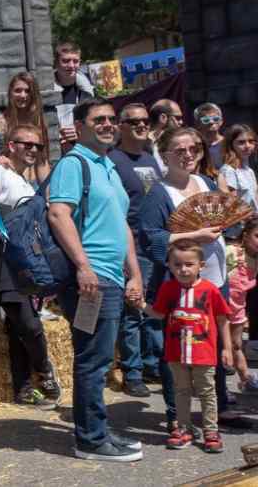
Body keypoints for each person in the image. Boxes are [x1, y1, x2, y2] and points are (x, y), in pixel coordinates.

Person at [47, 98, 145, 462]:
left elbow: (121, 224)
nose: (107, 124)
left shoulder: (106, 165)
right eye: (98, 119)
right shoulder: (74, 164)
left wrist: (134, 272)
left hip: (111, 278)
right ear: (81, 125)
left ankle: (98, 429)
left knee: (101, 358)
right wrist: (83, 266)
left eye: (111, 119)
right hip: (92, 280)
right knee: (93, 360)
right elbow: (58, 214)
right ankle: (89, 440)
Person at [138, 127, 232, 432]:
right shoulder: (159, 194)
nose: (189, 154)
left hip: (215, 280)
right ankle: (175, 416)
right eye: (180, 150)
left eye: (194, 148)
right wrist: (195, 235)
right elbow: (151, 238)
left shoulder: (204, 182)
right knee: (177, 351)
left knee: (213, 345)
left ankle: (215, 413)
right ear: (165, 156)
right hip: (179, 286)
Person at [0, 124, 61, 409]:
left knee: (16, 326)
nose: (33, 150)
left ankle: (22, 388)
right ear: (10, 145)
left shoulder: (25, 181)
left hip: (27, 261)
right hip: (6, 260)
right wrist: (16, 219)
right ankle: (45, 370)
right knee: (28, 323)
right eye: (26, 144)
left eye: (37, 146)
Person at [143, 242, 231, 452]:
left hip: (204, 352)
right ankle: (184, 428)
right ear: (170, 266)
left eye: (189, 264)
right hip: (176, 352)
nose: (183, 269)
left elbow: (222, 319)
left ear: (201, 265)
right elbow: (159, 314)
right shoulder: (168, 288)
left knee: (207, 392)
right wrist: (141, 305)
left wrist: (227, 348)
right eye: (177, 264)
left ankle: (211, 430)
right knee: (180, 391)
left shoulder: (210, 290)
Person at [109, 103, 164, 396]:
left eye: (145, 121)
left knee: (153, 307)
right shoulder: (114, 160)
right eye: (134, 122)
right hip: (130, 244)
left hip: (155, 243)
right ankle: (132, 372)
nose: (142, 125)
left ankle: (153, 362)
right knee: (132, 310)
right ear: (121, 126)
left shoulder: (149, 158)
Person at [0, 72, 51, 183]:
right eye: (18, 90)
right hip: (7, 184)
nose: (23, 95)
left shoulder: (38, 123)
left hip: (33, 185)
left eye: (28, 91)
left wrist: (48, 195)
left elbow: (42, 162)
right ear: (10, 93)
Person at [226, 221, 258, 392]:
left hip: (238, 309)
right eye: (257, 236)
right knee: (219, 348)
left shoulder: (256, 259)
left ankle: (245, 379)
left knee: (236, 344)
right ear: (245, 236)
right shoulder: (232, 252)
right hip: (220, 309)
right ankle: (216, 388)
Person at [53, 42, 95, 153]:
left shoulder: (87, 95)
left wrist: (79, 131)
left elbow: (95, 127)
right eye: (66, 61)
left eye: (75, 61)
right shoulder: (45, 92)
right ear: (56, 63)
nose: (71, 66)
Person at [219, 124, 258, 210]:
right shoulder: (229, 170)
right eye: (241, 142)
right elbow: (231, 203)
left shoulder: (249, 170)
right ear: (231, 145)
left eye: (251, 141)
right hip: (241, 221)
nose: (247, 146)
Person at [195, 103, 226, 170]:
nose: (211, 122)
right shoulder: (195, 144)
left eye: (215, 119)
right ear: (198, 124)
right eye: (206, 120)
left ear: (221, 122)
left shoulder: (228, 143)